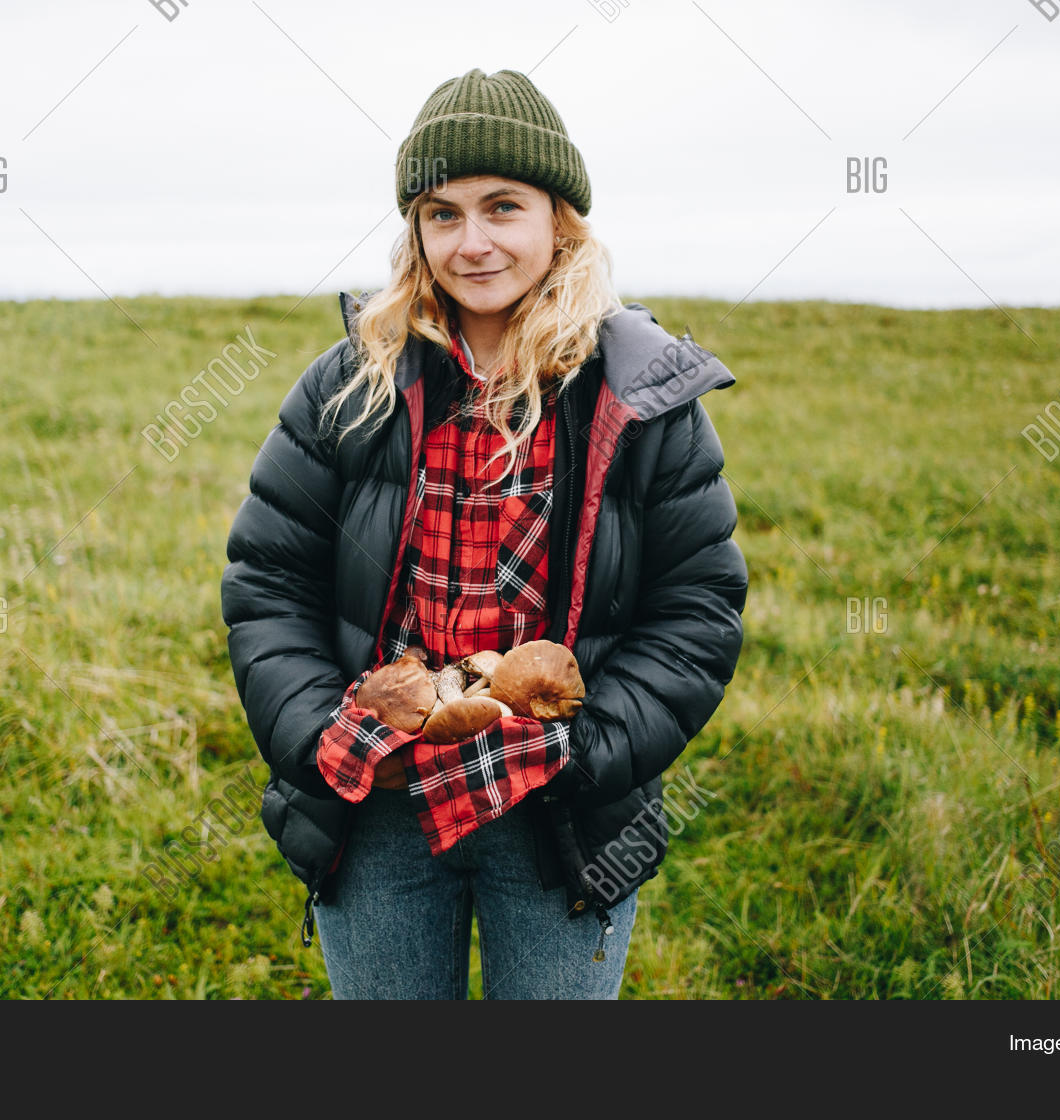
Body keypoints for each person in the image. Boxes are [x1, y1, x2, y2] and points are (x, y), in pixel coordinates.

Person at [221, 67, 747, 999]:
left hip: (563, 812)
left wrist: (587, 754)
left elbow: (697, 607)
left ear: (560, 220)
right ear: (415, 231)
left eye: (502, 207)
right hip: (378, 807)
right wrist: (319, 741)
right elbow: (268, 582)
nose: (473, 243)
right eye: (442, 213)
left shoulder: (643, 394)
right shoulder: (350, 384)